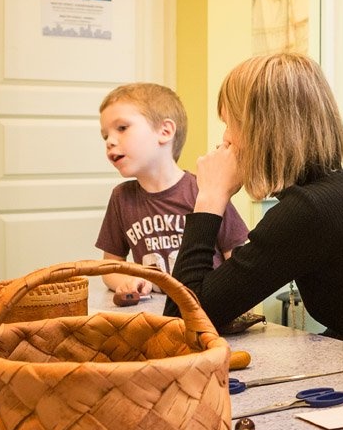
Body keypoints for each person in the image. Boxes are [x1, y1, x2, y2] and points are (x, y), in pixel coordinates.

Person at [164, 52, 343, 367]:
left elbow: (182, 318)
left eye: (230, 124)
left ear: (262, 130)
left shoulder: (311, 210)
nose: (225, 138)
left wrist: (210, 196)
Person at [96, 82, 248, 297]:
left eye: (122, 128)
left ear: (165, 131)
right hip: (158, 317)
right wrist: (127, 280)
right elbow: (110, 267)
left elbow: (236, 259)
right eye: (105, 135)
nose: (110, 141)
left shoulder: (205, 189)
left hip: (209, 314)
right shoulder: (121, 198)